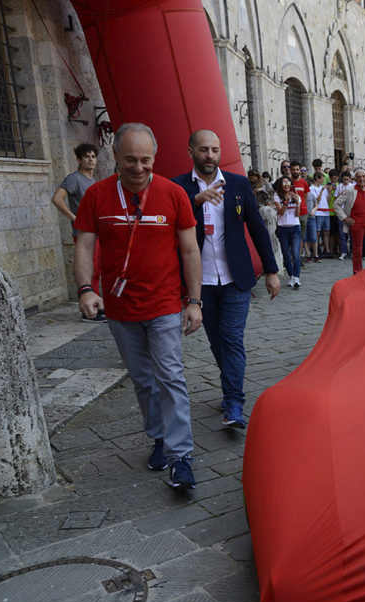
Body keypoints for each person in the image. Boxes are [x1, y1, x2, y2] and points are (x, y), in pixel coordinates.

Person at [74, 122, 202, 489]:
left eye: (146, 159)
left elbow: (190, 250)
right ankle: (159, 438)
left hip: (164, 304)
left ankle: (181, 457)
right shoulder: (96, 196)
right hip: (119, 309)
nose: (139, 167)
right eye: (130, 159)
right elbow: (84, 246)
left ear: (154, 158)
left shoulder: (174, 193)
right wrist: (85, 289)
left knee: (171, 377)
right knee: (143, 380)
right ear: (114, 155)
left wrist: (194, 301)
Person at [172, 129, 281, 429]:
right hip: (200, 283)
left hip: (235, 278)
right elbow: (168, 224)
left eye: (215, 150)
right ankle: (229, 387)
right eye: (204, 150)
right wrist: (195, 201)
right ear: (191, 151)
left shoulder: (237, 184)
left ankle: (234, 402)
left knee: (232, 339)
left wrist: (271, 270)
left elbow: (257, 228)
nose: (210, 155)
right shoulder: (177, 188)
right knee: (217, 341)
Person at [52, 143, 103, 322]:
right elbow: (57, 199)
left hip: (97, 232)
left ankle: (96, 304)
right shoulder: (74, 179)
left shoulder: (93, 181)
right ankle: (88, 311)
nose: (91, 160)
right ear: (79, 159)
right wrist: (75, 218)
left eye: (93, 156)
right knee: (89, 270)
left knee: (97, 270)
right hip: (83, 233)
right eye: (87, 156)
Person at [335, 168, 365, 274]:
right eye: (359, 177)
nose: (361, 179)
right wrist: (345, 218)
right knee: (357, 250)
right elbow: (336, 204)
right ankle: (357, 272)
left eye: (363, 176)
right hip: (357, 224)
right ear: (355, 178)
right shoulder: (350, 190)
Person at [272, 176, 302, 288]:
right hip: (283, 227)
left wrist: (297, 202)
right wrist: (286, 201)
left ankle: (297, 277)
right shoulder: (277, 196)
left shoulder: (296, 196)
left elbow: (297, 214)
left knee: (295, 253)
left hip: (295, 226)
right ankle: (291, 276)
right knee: (286, 253)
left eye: (288, 183)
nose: (286, 185)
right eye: (284, 183)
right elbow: (281, 212)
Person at [289, 161, 311, 260]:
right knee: (290, 236)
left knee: (300, 236)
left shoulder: (304, 182)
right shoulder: (288, 182)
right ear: (290, 170)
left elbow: (305, 196)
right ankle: (290, 257)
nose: (295, 171)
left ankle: (298, 257)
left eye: (297, 169)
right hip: (290, 213)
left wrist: (301, 204)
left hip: (302, 212)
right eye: (293, 169)